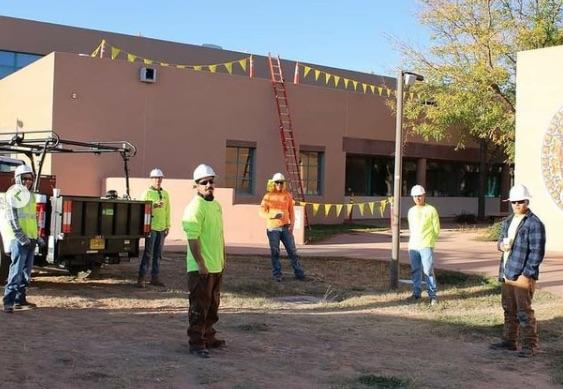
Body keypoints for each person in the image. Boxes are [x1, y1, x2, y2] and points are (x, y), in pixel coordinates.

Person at [490, 184, 546, 358]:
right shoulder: (508, 221)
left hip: (522, 275)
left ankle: (530, 345)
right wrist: (500, 245)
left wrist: (527, 273)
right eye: (513, 202)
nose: (516, 205)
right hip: (508, 272)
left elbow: (537, 252)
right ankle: (509, 341)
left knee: (524, 311)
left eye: (520, 201)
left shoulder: (534, 223)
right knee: (508, 309)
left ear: (527, 201)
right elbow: (500, 242)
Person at [182, 164, 226, 358]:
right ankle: (196, 343)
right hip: (201, 268)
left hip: (216, 265)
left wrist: (222, 259)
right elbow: (193, 238)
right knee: (199, 306)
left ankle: (208, 336)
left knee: (213, 306)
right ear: (196, 185)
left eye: (211, 181)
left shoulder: (216, 206)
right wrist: (201, 263)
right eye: (204, 182)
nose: (209, 185)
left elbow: (219, 235)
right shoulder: (194, 208)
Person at [2, 165, 38, 313]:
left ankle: (19, 300)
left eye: (30, 178)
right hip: (19, 241)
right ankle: (8, 302)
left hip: (31, 239)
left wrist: (37, 237)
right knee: (16, 271)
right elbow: (12, 218)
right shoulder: (13, 194)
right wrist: (21, 237)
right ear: (18, 178)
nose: (28, 181)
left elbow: (32, 219)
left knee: (25, 273)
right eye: (25, 178)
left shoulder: (31, 196)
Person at [259, 173, 305, 282]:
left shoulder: (287, 195)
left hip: (286, 228)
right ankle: (277, 274)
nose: (279, 184)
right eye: (277, 182)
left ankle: (299, 273)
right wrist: (272, 215)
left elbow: (291, 212)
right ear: (273, 183)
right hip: (273, 228)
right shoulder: (268, 196)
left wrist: (292, 224)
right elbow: (261, 212)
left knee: (292, 251)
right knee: (275, 252)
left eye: (281, 182)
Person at [137, 168, 171, 287]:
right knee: (148, 253)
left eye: (160, 178)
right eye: (156, 178)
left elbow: (167, 210)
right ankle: (141, 278)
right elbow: (141, 209)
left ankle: (154, 277)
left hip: (161, 228)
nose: (158, 180)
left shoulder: (165, 194)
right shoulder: (147, 193)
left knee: (158, 254)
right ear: (151, 179)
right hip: (151, 227)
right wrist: (153, 205)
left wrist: (167, 225)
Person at [407, 184, 440, 305]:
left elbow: (436, 229)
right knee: (415, 270)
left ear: (424, 196)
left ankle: (432, 295)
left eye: (419, 196)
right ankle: (416, 294)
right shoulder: (411, 211)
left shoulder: (431, 210)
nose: (417, 198)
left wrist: (431, 242)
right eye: (415, 196)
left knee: (428, 270)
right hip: (413, 245)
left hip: (426, 245)